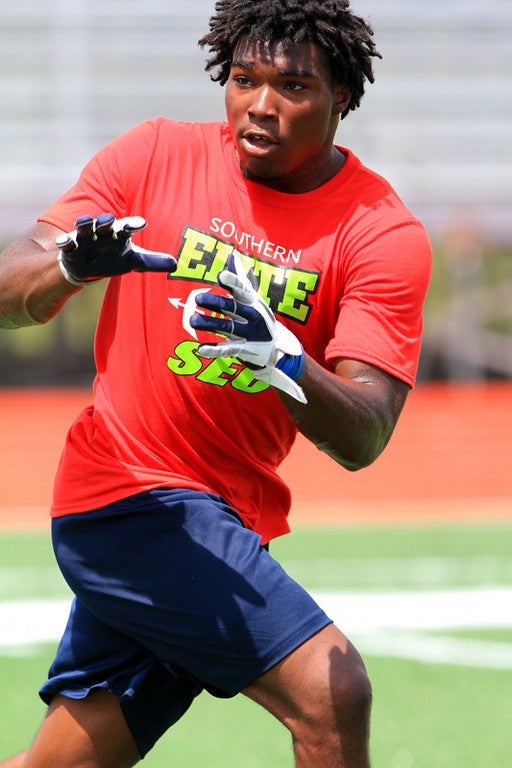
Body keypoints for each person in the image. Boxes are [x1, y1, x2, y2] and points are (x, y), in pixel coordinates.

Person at [0, 1, 432, 766]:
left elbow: (365, 432)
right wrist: (67, 264)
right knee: (334, 694)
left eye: (294, 87)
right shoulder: (152, 154)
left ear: (343, 99)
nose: (260, 106)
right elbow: (9, 290)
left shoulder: (379, 230)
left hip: (227, 516)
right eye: (242, 79)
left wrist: (283, 362)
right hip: (126, 498)